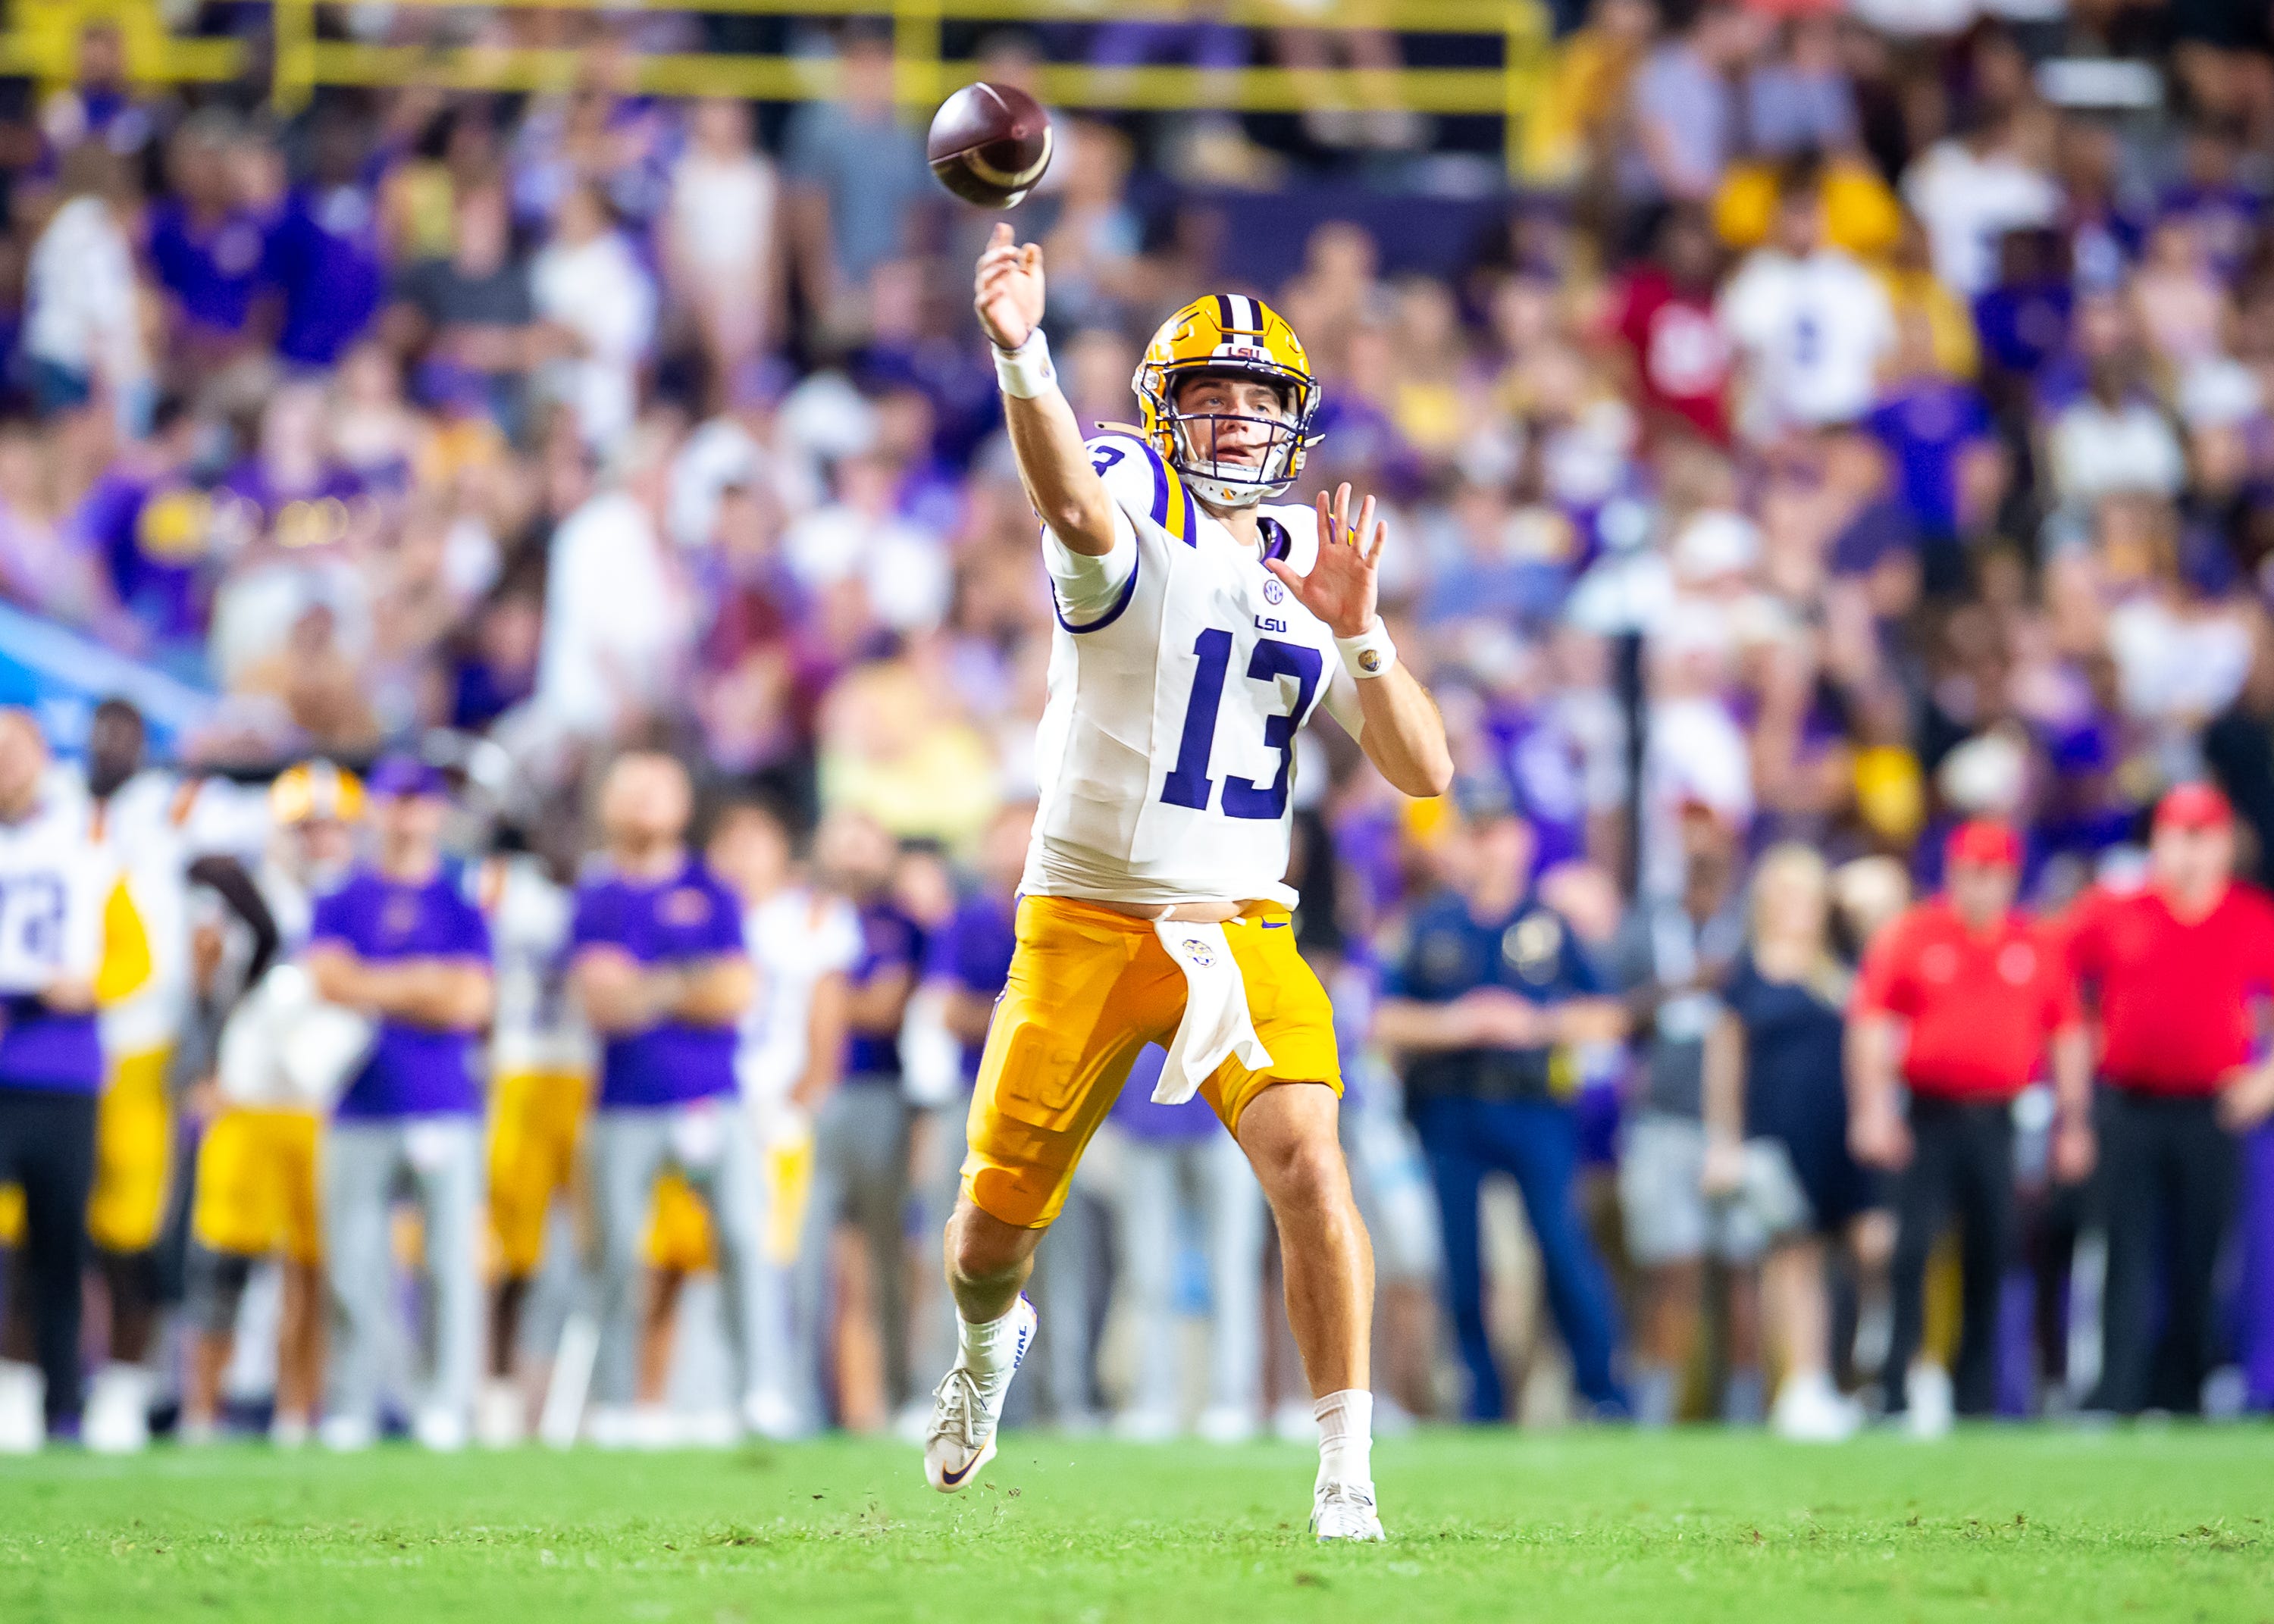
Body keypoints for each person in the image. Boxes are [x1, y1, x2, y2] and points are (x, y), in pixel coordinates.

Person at [926, 227, 1452, 1541]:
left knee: (1312, 1166)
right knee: (987, 1233)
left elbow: (1423, 768)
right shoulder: (1124, 483)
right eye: (1206, 399)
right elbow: (1071, 505)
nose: (1230, 421)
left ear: (1296, 421)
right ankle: (990, 1349)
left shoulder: (1302, 552)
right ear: (1164, 415)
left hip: (1237, 923)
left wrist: (1364, 633)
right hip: (1087, 919)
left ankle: (1346, 1473)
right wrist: (1022, 356)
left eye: (1255, 400)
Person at [1374, 790, 1628, 1425]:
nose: (1488, 845)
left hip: (1534, 1104)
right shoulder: (1431, 923)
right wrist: (1458, 1022)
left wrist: (1535, 1023)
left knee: (1563, 1246)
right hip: (1450, 1105)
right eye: (1477, 832)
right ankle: (1481, 1398)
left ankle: (1602, 1389)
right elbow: (1384, 1018)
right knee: (1462, 1261)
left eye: (1499, 831)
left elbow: (1607, 1014)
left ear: (1522, 840)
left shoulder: (1549, 924)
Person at [77, 697, 273, 1453]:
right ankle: (52, 1383)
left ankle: (132, 1387)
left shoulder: (173, 810)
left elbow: (246, 906)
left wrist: (219, 1016)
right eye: (101, 733)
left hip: (149, 1042)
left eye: (126, 734)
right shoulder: (59, 808)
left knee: (138, 1229)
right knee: (48, 1225)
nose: (110, 748)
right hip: (57, 1041)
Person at [1848, 819, 2090, 1433]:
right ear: (1953, 873)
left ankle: (1976, 1391)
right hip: (1928, 1112)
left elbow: (2066, 1034)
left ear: (2011, 877)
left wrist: (2074, 1122)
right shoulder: (1916, 933)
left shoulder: (2035, 944)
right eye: (1971, 872)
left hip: (1999, 1117)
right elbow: (1871, 1022)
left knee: (1993, 1248)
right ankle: (1894, 1386)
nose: (1981, 885)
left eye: (1993, 873)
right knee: (1910, 1251)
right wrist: (1873, 1109)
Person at [568, 751, 772, 1447]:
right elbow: (598, 1002)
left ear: (683, 805)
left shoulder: (712, 889)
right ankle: (623, 1402)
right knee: (619, 1256)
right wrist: (688, 984)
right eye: (632, 788)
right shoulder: (596, 894)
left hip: (713, 1099)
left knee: (745, 1239)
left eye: (659, 787)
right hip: (624, 1101)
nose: (645, 802)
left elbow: (738, 992)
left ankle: (760, 1392)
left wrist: (648, 986)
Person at [304, 757, 494, 1452]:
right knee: (353, 1265)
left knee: (448, 1263)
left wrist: (372, 981)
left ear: (438, 812)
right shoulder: (342, 895)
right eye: (397, 800)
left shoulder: (460, 900)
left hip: (443, 1100)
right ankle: (353, 1399)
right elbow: (323, 980)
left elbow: (472, 1001)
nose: (409, 815)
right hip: (359, 1101)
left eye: (421, 802)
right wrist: (422, 982)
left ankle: (444, 1399)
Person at [2066, 784, 2274, 1415]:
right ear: (2157, 841)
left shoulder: (2251, 916)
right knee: (2123, 1248)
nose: (2187, 851)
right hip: (2129, 1101)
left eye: (2201, 836)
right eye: (2176, 835)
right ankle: (2118, 1389)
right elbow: (2059, 983)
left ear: (2223, 845)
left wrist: (2265, 1081)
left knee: (2201, 1250)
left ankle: (2183, 1390)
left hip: (2211, 1106)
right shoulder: (2115, 909)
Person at [180, 760, 356, 1445]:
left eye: (330, 828)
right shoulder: (243, 893)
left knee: (311, 1268)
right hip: (247, 1094)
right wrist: (203, 1067)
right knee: (222, 1264)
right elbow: (203, 991)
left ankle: (295, 1412)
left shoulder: (360, 899)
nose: (319, 841)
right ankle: (201, 1412)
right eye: (306, 826)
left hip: (321, 1102)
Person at [1702, 843, 1878, 1441]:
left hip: (1843, 1130)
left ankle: (1863, 1376)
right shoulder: (1747, 970)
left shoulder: (1842, 962)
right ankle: (1802, 1383)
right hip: (1776, 1132)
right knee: (1791, 1255)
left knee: (1868, 1248)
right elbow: (1724, 1061)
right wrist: (1722, 1140)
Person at [1610, 800, 1753, 1428]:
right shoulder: (1648, 926)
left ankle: (1747, 1411)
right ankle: (1657, 1411)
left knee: (1743, 1269)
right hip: (1663, 1115)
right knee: (1671, 1268)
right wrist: (1688, 983)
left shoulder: (1748, 924)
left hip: (1737, 1121)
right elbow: (1613, 1010)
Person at [0, 710, 114, 1451]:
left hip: (65, 1070)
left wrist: (95, 983)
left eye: (14, 748)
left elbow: (137, 951)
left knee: (62, 1249)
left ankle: (64, 1408)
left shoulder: (89, 838)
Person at [792, 808, 921, 1432]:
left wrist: (816, 997)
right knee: (799, 1255)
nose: (851, 852)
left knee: (890, 1258)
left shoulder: (899, 923)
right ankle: (798, 1400)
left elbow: (883, 1009)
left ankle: (902, 1395)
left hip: (876, 1093)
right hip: (794, 1099)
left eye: (865, 838)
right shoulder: (794, 914)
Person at [477, 819, 594, 1447]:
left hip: (585, 1074)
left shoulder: (605, 891)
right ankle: (495, 1391)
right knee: (508, 1247)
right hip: (516, 1071)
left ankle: (594, 1398)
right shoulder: (498, 886)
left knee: (600, 1245)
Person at [1105, 1043, 1267, 1441]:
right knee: (1147, 1272)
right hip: (1143, 1112)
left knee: (1231, 1267)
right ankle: (1151, 1399)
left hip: (1226, 1109)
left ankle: (1232, 1399)